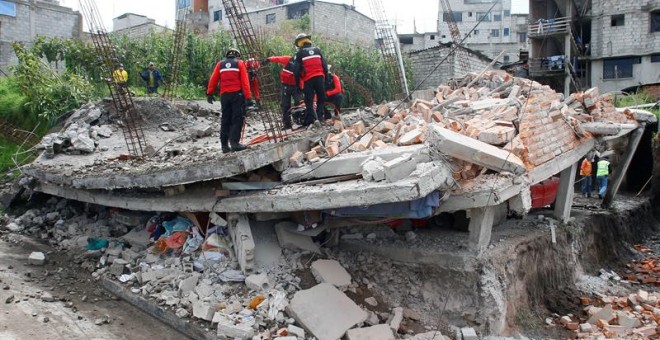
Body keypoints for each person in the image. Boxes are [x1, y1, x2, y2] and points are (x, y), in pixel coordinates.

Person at [206, 47, 254, 153]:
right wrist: (248, 97)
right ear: (237, 55)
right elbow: (245, 82)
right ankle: (234, 144)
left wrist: (209, 93)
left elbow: (213, 79)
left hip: (224, 96)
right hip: (237, 95)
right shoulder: (240, 63)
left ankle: (224, 146)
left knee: (225, 119)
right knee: (237, 119)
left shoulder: (220, 64)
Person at [293, 33, 328, 126]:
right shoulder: (317, 50)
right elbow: (325, 66)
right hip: (320, 78)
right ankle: (320, 118)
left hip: (308, 79)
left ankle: (310, 120)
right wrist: (326, 79)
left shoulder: (300, 53)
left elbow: (296, 70)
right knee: (321, 98)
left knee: (309, 100)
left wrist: (297, 85)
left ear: (299, 43)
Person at [262, 55, 302, 129]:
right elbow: (278, 59)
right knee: (285, 105)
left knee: (299, 103)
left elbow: (303, 79)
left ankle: (299, 121)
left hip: (296, 87)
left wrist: (301, 89)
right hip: (286, 86)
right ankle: (287, 124)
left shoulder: (302, 65)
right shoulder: (288, 59)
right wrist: (268, 59)